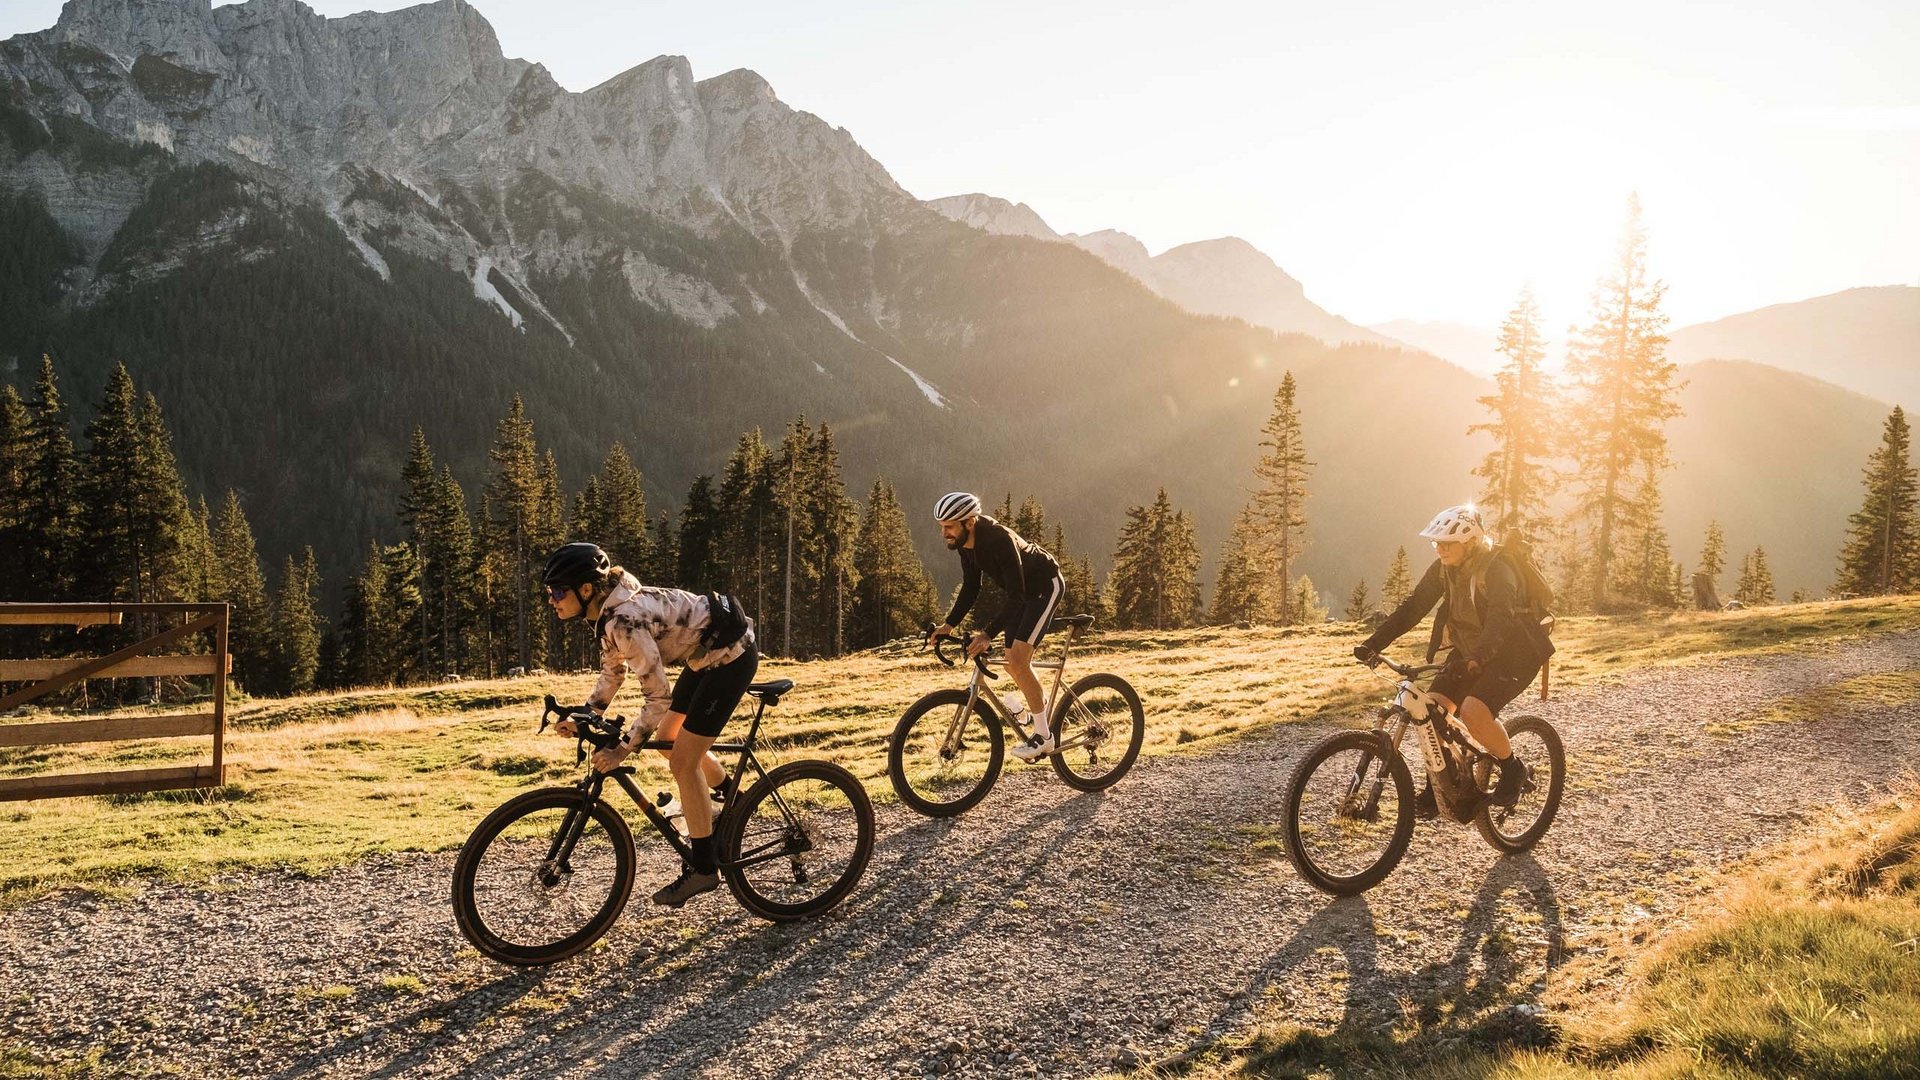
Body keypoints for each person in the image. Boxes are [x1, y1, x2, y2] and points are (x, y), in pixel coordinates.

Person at [542, 542, 757, 907]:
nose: (552, 599)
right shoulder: (607, 614)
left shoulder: (623, 620)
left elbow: (659, 698)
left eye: (558, 591)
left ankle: (705, 869)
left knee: (682, 761)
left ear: (586, 589)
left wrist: (622, 748)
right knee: (669, 737)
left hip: (729, 656)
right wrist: (586, 714)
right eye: (549, 592)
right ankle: (730, 803)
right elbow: (614, 670)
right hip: (703, 654)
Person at [1354, 505, 1540, 815]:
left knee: (1472, 710)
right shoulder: (1444, 568)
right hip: (1472, 651)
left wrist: (1480, 657)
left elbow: (1500, 618)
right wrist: (1373, 644)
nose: (1439, 549)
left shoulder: (1497, 569)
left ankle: (1512, 768)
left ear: (1469, 543)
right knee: (1432, 710)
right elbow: (1413, 607)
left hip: (1513, 652)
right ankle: (1442, 787)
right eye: (1435, 543)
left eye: (1446, 543)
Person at [925, 492, 1066, 762]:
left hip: (1045, 587)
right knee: (1011, 661)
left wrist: (988, 634)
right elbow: (971, 586)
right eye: (942, 527)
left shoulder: (998, 540)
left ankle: (1044, 737)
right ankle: (1037, 713)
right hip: (1022, 593)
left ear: (969, 522)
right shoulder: (966, 545)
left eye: (950, 526)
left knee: (1019, 659)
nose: (945, 533)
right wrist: (949, 625)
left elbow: (1017, 596)